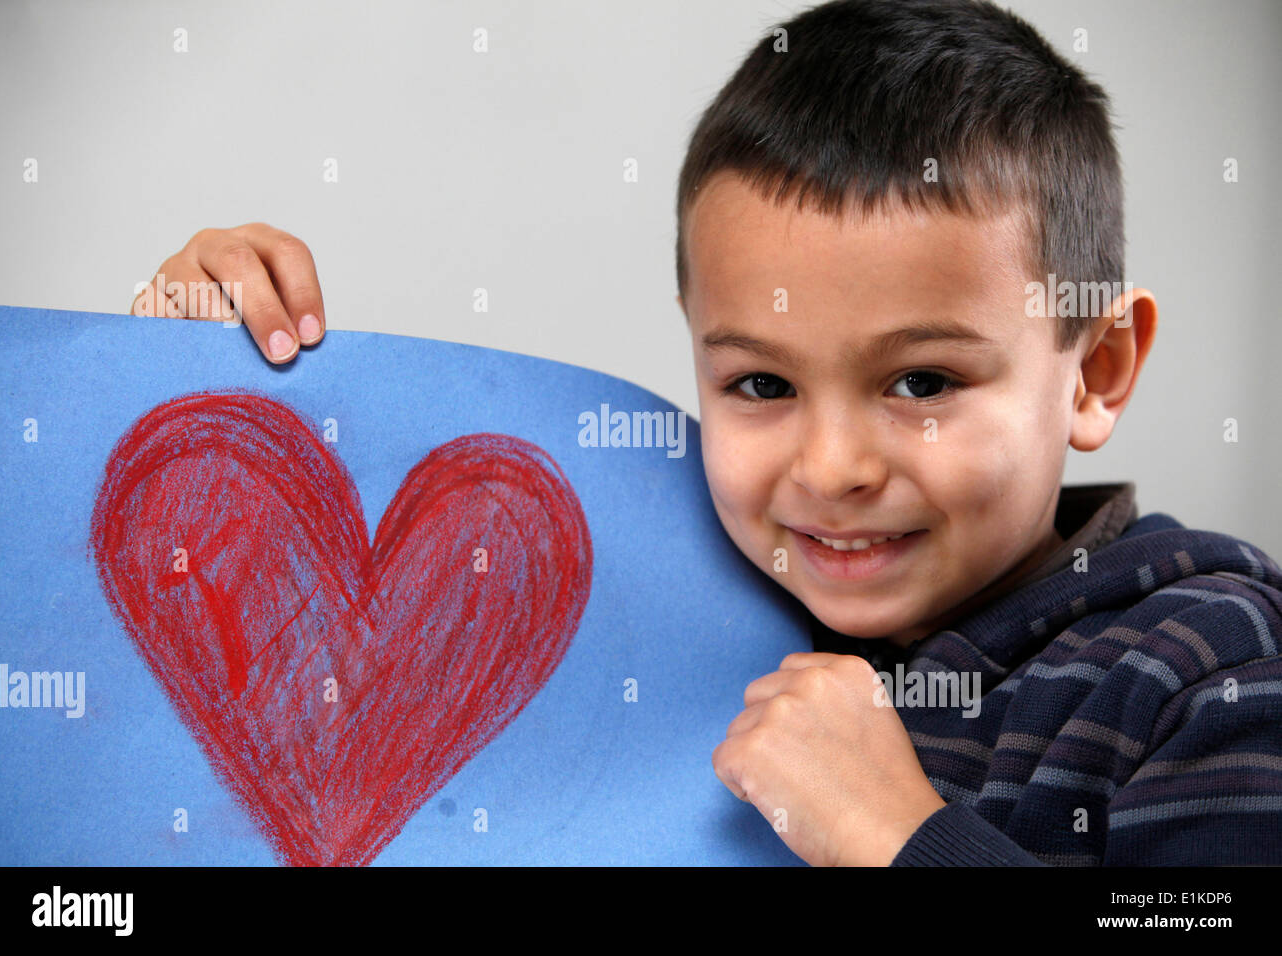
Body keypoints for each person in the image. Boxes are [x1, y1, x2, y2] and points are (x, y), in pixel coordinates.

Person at [131, 0, 1282, 866]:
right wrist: (170, 374)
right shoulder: (677, 600)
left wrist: (902, 837)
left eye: (922, 378)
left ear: (1096, 370)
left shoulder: (1200, 668)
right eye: (761, 385)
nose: (830, 468)